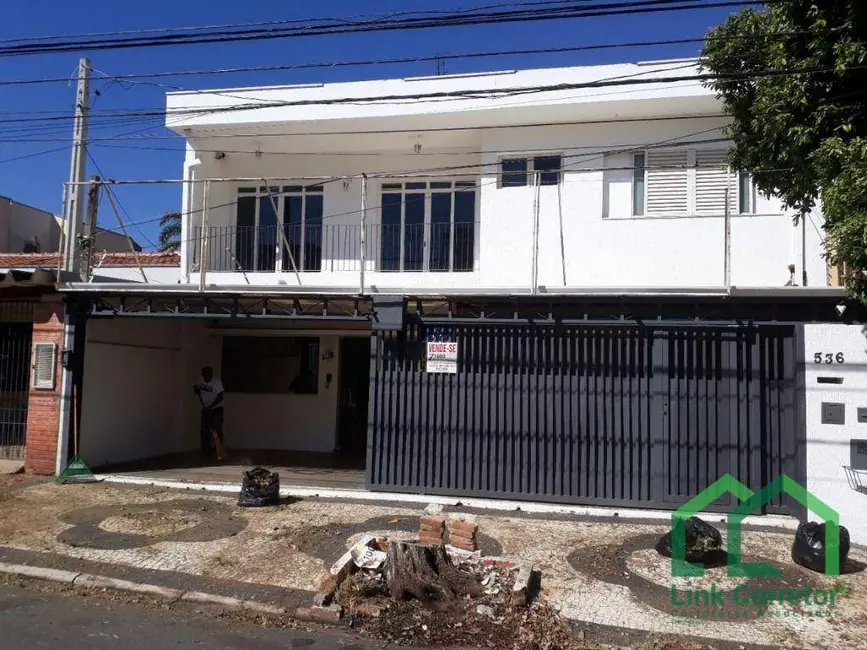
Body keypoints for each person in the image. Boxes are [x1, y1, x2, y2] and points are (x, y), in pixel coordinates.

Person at [193, 366, 224, 458]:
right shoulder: (200, 381)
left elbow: (220, 397)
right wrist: (196, 389)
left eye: (207, 373)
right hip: (206, 408)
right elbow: (197, 390)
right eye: (204, 373)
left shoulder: (217, 382)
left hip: (217, 408)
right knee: (205, 430)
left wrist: (210, 407)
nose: (205, 375)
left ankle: (218, 450)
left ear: (211, 373)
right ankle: (206, 451)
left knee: (216, 429)